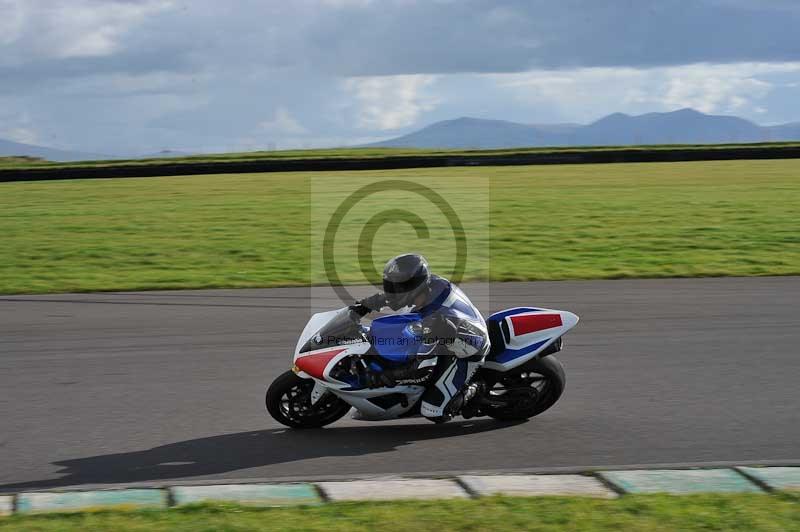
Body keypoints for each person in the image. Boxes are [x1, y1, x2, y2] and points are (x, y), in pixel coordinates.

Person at [350, 253, 490, 423]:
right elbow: (392, 297)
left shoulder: (434, 322)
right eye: (390, 284)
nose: (392, 290)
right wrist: (364, 305)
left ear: (412, 285)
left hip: (469, 348)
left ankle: (476, 390)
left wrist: (386, 377)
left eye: (397, 286)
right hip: (449, 334)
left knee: (433, 410)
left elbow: (422, 371)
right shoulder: (430, 285)